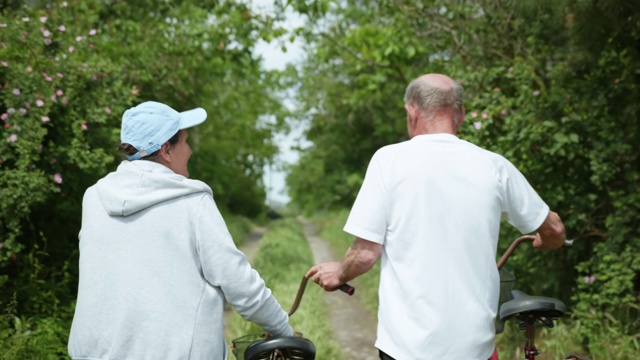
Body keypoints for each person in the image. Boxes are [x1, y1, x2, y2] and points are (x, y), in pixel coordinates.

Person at [305, 74, 566, 360]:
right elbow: (553, 227)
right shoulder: (494, 165)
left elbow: (366, 253)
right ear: (461, 115)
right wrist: (547, 240)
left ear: (411, 111)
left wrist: (340, 273)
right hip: (475, 350)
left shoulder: (388, 160)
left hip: (407, 349)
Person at [68, 101, 293, 359]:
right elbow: (239, 283)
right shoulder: (192, 202)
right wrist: (282, 329)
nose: (191, 150)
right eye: (185, 142)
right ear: (166, 150)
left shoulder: (94, 198)